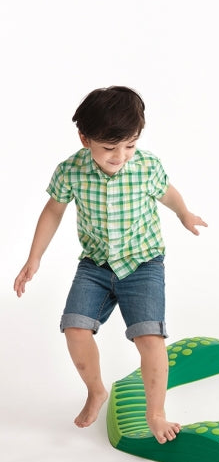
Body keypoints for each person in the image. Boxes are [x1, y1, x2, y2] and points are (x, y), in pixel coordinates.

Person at [13, 86, 207, 443]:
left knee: (150, 337)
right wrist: (34, 257)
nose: (120, 156)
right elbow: (53, 210)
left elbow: (168, 192)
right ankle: (96, 390)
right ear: (85, 139)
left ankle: (156, 413)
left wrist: (184, 214)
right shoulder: (70, 171)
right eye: (109, 148)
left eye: (129, 146)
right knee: (75, 328)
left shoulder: (146, 166)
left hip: (143, 263)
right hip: (96, 265)